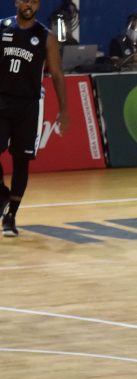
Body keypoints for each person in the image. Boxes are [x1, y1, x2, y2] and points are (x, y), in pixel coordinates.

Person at [1, 0, 70, 237]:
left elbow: (57, 74)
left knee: (21, 161)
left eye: (33, 1)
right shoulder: (2, 27)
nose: (28, 5)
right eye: (25, 0)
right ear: (17, 2)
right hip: (1, 100)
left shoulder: (46, 37)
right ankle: (1, 193)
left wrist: (64, 110)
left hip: (28, 105)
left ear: (38, 6)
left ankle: (11, 215)